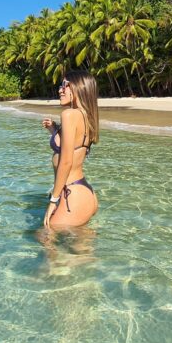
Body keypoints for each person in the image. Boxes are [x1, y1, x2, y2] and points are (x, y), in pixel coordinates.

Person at [41, 70, 99, 232]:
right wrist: (54, 131)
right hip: (84, 192)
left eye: (65, 85)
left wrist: (53, 200)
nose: (60, 89)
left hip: (72, 196)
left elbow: (66, 162)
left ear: (79, 88)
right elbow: (75, 148)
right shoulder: (87, 116)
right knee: (80, 254)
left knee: (46, 237)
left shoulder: (69, 115)